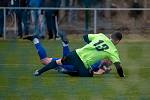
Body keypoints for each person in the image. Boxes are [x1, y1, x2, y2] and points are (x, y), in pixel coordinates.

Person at [31, 31, 125, 77]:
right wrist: (122, 76)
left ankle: (39, 71)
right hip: (82, 63)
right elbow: (118, 66)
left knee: (52, 61)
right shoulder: (112, 51)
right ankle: (65, 47)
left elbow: (85, 37)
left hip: (76, 53)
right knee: (86, 74)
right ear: (117, 41)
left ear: (110, 35)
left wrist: (92, 46)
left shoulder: (101, 36)